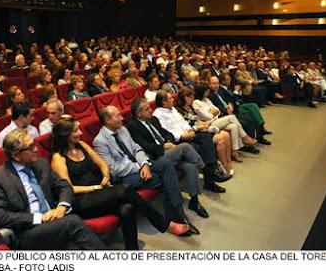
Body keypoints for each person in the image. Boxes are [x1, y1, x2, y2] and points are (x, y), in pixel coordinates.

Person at [51, 118, 190, 249]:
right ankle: (164, 224)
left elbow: (102, 163)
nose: (80, 133)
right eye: (75, 130)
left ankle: (132, 251)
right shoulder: (58, 158)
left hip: (100, 193)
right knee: (125, 189)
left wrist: (105, 175)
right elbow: (69, 189)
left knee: (127, 209)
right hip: (82, 201)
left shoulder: (81, 145)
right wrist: (95, 187)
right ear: (65, 135)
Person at [0, 129, 106, 250]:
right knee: (73, 222)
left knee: (76, 246)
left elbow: (64, 186)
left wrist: (61, 207)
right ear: (16, 156)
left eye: (35, 144)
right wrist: (40, 218)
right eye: (31, 147)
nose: (36, 149)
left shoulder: (41, 164)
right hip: (28, 231)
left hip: (56, 222)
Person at [93, 106, 200, 234]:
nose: (122, 118)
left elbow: (137, 149)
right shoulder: (100, 141)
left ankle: (178, 217)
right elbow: (114, 170)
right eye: (117, 115)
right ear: (107, 120)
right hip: (126, 176)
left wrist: (144, 164)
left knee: (166, 165)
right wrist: (140, 167)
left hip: (141, 164)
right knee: (166, 178)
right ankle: (180, 217)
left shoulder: (122, 130)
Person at [127, 98, 209, 218]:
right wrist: (163, 146)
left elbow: (166, 133)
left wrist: (169, 141)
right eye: (147, 109)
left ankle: (194, 201)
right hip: (156, 156)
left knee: (191, 167)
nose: (151, 110)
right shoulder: (132, 126)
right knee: (185, 147)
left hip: (168, 151)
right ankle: (208, 170)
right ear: (138, 113)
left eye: (150, 107)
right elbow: (144, 147)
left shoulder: (153, 119)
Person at [153, 91, 232, 190]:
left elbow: (182, 122)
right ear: (163, 102)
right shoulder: (158, 115)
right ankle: (211, 178)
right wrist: (181, 136)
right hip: (178, 140)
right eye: (170, 98)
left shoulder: (173, 109)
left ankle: (212, 172)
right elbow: (164, 132)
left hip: (188, 133)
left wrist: (190, 129)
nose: (173, 99)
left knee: (206, 136)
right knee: (199, 148)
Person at [174, 88, 235, 176]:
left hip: (203, 127)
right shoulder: (179, 110)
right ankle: (223, 165)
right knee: (221, 138)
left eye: (193, 96)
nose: (193, 98)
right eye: (190, 97)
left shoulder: (191, 107)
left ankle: (228, 162)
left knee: (226, 135)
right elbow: (186, 126)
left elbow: (199, 119)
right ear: (184, 98)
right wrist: (202, 125)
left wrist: (205, 123)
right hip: (196, 132)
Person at [192, 85, 257, 162]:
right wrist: (212, 112)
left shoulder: (207, 100)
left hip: (215, 120)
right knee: (231, 117)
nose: (208, 92)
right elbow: (207, 116)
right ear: (201, 92)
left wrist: (212, 112)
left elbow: (217, 110)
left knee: (233, 126)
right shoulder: (196, 103)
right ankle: (245, 137)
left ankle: (235, 151)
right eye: (206, 91)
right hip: (207, 124)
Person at [208, 76, 271, 146]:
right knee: (245, 120)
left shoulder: (220, 91)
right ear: (209, 84)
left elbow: (228, 99)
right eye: (213, 83)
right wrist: (227, 109)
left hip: (233, 107)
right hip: (224, 114)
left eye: (217, 83)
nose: (216, 85)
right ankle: (248, 144)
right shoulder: (209, 95)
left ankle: (258, 136)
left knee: (250, 116)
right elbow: (215, 107)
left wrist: (230, 104)